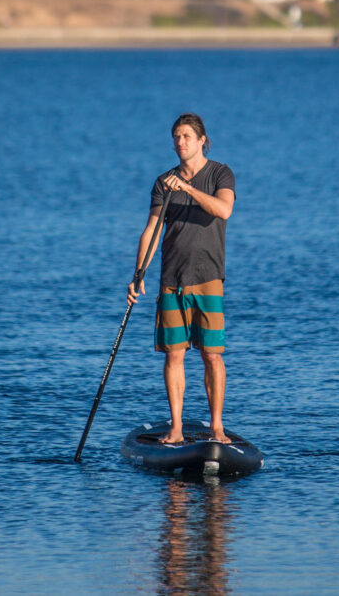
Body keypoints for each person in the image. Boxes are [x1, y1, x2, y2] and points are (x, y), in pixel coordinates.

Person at [127, 113, 236, 444]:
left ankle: (216, 427)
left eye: (187, 136)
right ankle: (175, 429)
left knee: (212, 354)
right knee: (174, 354)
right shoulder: (163, 182)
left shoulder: (220, 173)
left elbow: (223, 210)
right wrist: (138, 274)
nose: (180, 142)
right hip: (171, 278)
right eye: (176, 136)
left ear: (202, 140)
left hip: (208, 277)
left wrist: (187, 188)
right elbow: (151, 231)